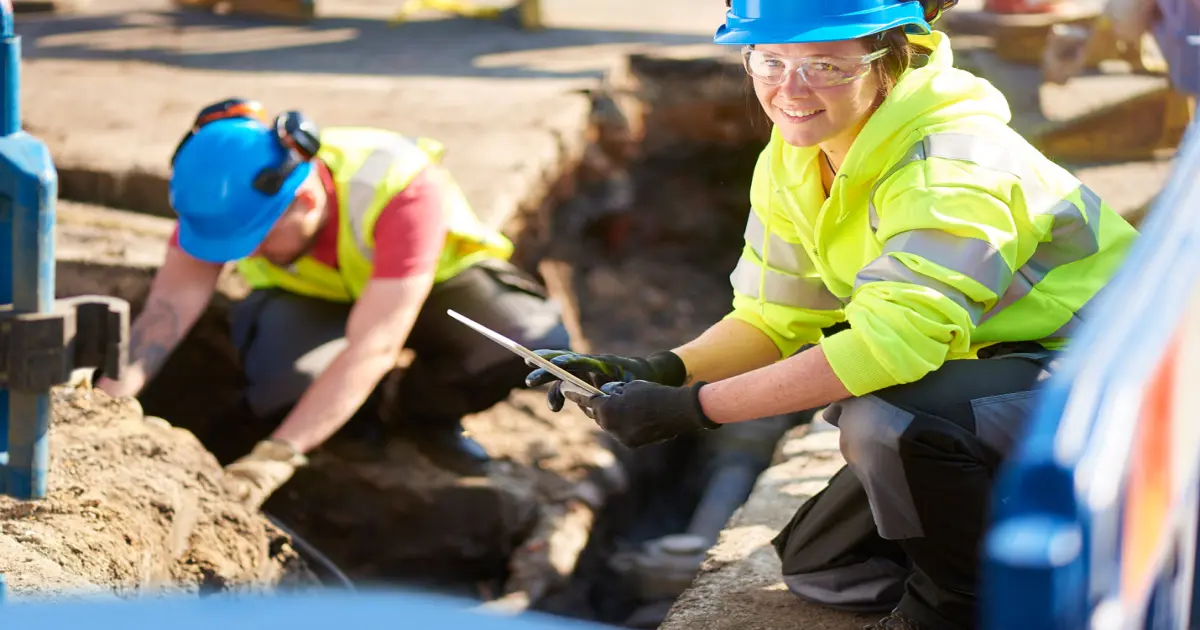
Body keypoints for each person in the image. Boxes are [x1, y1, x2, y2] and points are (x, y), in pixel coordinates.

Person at [524, 2, 1139, 628]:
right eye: (769, 60)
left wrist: (694, 410)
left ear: (892, 63)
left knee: (888, 417)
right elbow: (774, 314)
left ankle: (966, 611)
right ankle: (1023, 531)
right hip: (998, 379)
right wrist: (662, 369)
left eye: (825, 64)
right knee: (825, 569)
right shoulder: (801, 150)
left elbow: (888, 348)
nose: (790, 89)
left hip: (1113, 387)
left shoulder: (952, 166)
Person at [96, 98, 571, 510]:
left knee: (521, 340)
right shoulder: (221, 203)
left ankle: (419, 415)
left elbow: (374, 345)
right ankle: (350, 428)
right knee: (284, 381)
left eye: (257, 240)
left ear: (303, 198)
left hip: (431, 291)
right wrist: (103, 410)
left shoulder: (397, 183)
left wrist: (276, 455)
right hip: (314, 300)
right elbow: (167, 310)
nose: (248, 253)